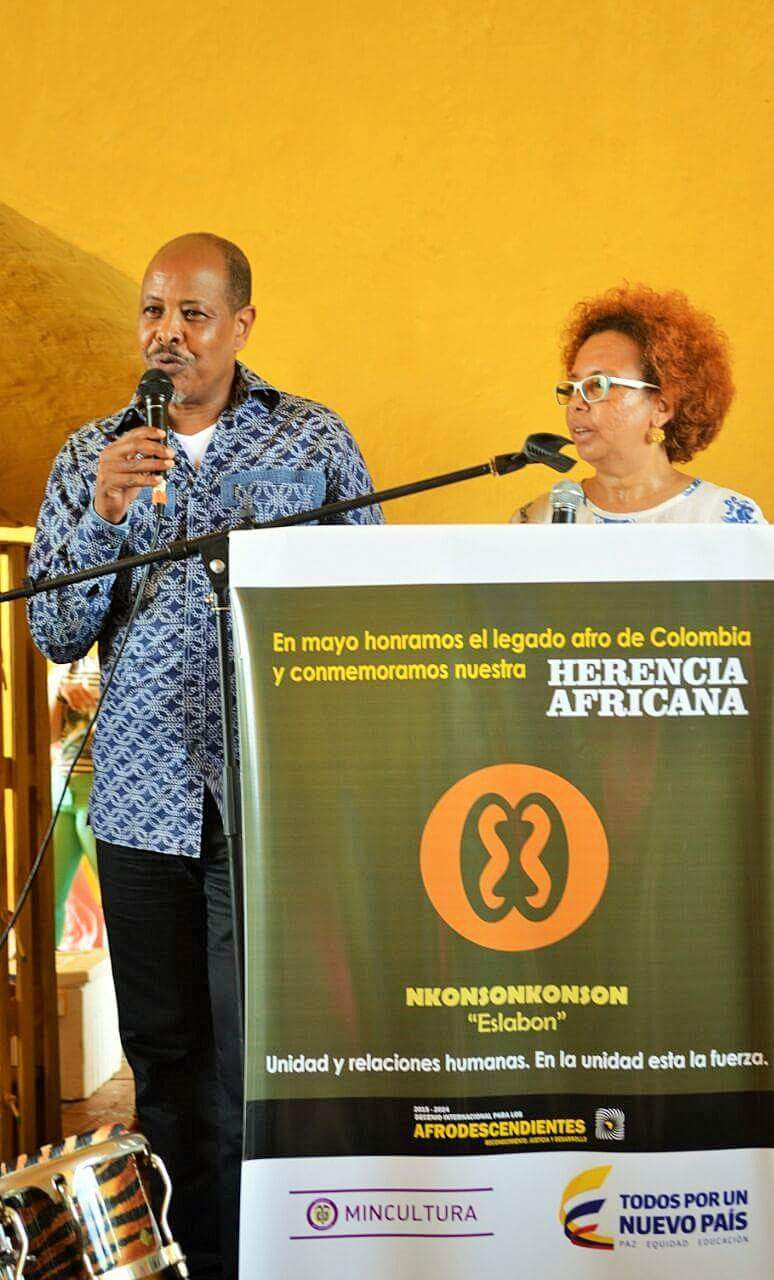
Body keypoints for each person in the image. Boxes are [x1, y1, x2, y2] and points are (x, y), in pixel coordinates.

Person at [27, 233, 383, 1280]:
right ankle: (185, 1257)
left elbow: (371, 603)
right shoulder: (92, 455)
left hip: (269, 796)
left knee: (252, 1050)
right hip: (140, 797)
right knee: (164, 1055)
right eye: (152, 311)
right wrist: (103, 514)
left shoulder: (311, 438)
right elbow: (54, 629)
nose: (167, 333)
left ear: (240, 324)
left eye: (192, 313)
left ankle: (264, 1257)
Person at [512, 283, 774, 906]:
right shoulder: (540, 518)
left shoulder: (727, 521)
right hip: (563, 807)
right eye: (572, 387)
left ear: (663, 406)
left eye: (600, 386)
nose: (577, 405)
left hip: (697, 811)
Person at [48, 653, 103, 948]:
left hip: (97, 788)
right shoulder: (64, 665)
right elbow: (46, 735)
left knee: (115, 891)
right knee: (50, 894)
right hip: (60, 787)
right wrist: (59, 693)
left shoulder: (113, 657)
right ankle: (48, 967)